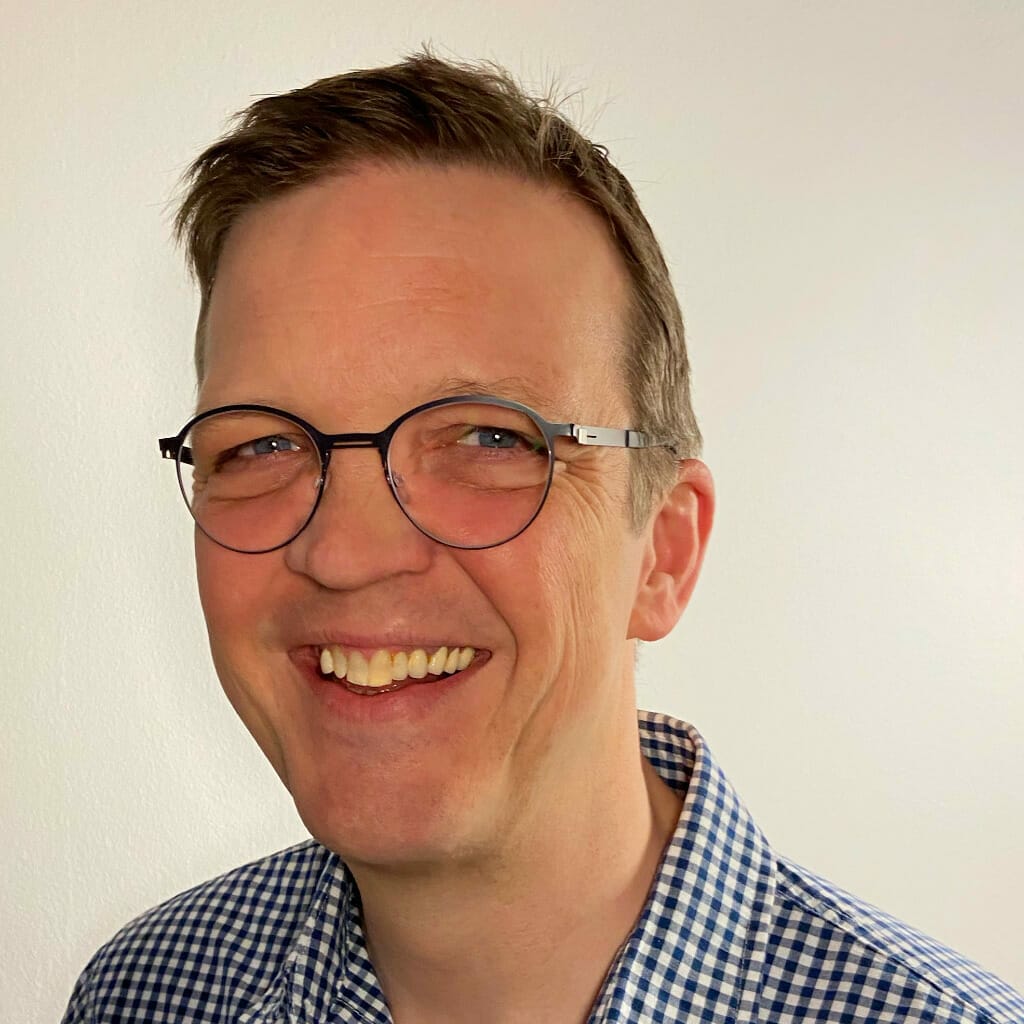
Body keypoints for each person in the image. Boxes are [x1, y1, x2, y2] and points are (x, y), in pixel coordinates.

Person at [62, 53, 1023, 1024]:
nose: (346, 552)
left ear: (663, 552)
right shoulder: (139, 993)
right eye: (261, 443)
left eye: (487, 438)